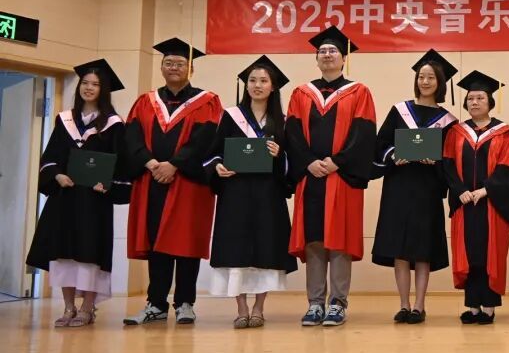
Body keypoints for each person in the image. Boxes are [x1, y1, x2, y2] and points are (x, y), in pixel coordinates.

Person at [123, 39, 221, 326]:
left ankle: (185, 303)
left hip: (188, 183)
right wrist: (151, 163)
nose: (174, 67)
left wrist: (174, 164)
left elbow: (205, 139)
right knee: (156, 243)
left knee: (186, 242)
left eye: (180, 63)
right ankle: (156, 303)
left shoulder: (207, 101)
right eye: (168, 63)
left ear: (190, 68)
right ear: (162, 67)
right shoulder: (145, 101)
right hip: (152, 180)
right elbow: (131, 137)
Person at [285, 26, 377, 327]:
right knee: (314, 240)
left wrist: (338, 162)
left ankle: (337, 303)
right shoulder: (301, 93)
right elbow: (292, 133)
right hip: (310, 176)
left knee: (339, 240)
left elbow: (364, 134)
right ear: (316, 58)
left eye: (333, 51)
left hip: (342, 178)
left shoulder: (359, 92)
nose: (327, 55)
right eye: (322, 51)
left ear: (343, 58)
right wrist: (308, 162)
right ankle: (315, 303)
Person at [27, 60, 130, 327]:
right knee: (64, 254)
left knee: (89, 253)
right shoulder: (65, 120)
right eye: (85, 83)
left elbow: (121, 163)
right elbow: (50, 156)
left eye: (95, 84)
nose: (89, 88)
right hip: (66, 197)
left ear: (103, 90)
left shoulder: (114, 124)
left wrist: (106, 184)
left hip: (94, 200)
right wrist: (56, 175)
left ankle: (87, 307)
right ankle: (69, 306)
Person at [204, 56, 297, 328]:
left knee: (265, 249)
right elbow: (213, 153)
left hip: (268, 195)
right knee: (237, 249)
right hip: (236, 193)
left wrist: (279, 155)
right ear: (246, 85)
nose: (257, 85)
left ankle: (259, 308)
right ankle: (241, 308)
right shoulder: (231, 116)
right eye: (252, 80)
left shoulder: (283, 121)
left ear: (273, 87)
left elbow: (292, 161)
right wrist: (218, 166)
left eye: (263, 81)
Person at [371, 49, 458, 324]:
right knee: (399, 247)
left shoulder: (449, 121)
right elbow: (380, 144)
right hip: (399, 185)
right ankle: (404, 304)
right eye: (421, 76)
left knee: (422, 248)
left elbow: (452, 158)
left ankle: (419, 305)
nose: (425, 81)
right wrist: (394, 155)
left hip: (427, 188)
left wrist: (437, 160)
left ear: (440, 83)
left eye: (431, 77)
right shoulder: (400, 111)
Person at [443, 70, 509, 324]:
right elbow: (448, 165)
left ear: (490, 102)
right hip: (465, 203)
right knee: (470, 254)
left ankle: (488, 307)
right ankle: (473, 307)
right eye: (470, 98)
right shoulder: (456, 132)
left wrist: (486, 189)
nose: (474, 102)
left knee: (489, 254)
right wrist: (460, 190)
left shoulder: (504, 133)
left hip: (492, 204)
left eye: (480, 98)